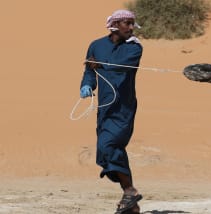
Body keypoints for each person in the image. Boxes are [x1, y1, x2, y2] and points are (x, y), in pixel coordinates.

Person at [79, 9, 143, 214]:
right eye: (127, 23)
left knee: (110, 145)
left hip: (124, 108)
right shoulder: (96, 45)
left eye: (133, 23)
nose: (131, 27)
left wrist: (102, 65)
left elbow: (123, 66)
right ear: (115, 25)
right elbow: (89, 70)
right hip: (105, 107)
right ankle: (131, 203)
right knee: (105, 154)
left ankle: (130, 191)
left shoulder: (134, 47)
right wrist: (87, 85)